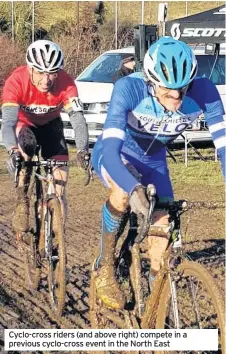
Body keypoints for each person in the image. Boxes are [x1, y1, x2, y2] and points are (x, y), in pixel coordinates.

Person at [91, 36, 225, 310]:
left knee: (162, 239)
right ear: (151, 82)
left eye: (183, 89)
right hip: (116, 156)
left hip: (154, 163)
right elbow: (112, 151)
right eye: (168, 90)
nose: (177, 96)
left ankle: (156, 311)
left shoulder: (205, 91)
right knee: (122, 192)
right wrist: (132, 188)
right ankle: (105, 265)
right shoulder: (129, 89)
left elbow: (223, 146)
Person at [1, 39, 90, 235]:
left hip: (51, 126)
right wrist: (12, 150)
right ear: (30, 69)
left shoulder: (66, 82)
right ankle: (22, 200)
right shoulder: (15, 81)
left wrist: (83, 149)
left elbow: (77, 119)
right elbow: (8, 123)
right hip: (25, 125)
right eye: (40, 72)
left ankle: (56, 240)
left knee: (60, 181)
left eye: (52, 73)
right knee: (25, 153)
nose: (46, 80)